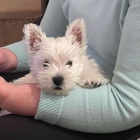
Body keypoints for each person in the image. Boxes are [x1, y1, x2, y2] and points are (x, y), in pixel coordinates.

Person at [0, 0, 140, 133]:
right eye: (47, 64)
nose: (57, 75)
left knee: (6, 130)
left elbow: (129, 106)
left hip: (112, 105)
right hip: (70, 80)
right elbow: (47, 38)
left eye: (68, 64)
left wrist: (10, 96)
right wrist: (6, 56)